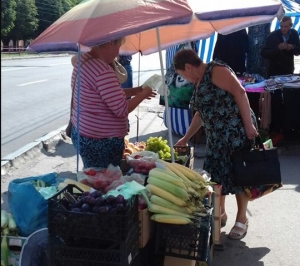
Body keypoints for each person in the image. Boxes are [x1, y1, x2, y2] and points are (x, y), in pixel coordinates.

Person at [173, 49, 259, 240]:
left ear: (188, 67)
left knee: (239, 178)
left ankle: (242, 219)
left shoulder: (215, 70)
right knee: (217, 178)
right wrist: (185, 138)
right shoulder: (199, 80)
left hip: (235, 133)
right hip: (216, 139)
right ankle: (221, 214)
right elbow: (200, 114)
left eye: (182, 75)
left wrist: (249, 126)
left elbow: (240, 92)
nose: (185, 79)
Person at [69, 37, 156, 169]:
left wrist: (136, 91)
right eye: (118, 47)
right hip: (100, 142)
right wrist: (143, 94)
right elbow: (122, 109)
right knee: (105, 181)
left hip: (83, 133)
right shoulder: (102, 70)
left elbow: (106, 94)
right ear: (110, 44)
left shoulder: (83, 60)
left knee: (93, 176)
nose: (117, 53)